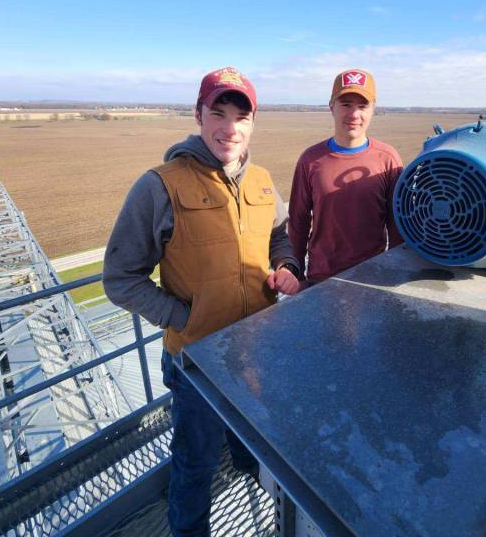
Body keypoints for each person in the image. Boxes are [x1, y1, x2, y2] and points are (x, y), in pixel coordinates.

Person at [103, 66, 300, 537]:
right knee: (194, 466)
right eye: (218, 112)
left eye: (241, 116)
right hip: (198, 363)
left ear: (253, 124)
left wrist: (287, 266)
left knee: (254, 445)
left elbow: (280, 236)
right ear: (198, 115)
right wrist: (182, 316)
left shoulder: (264, 181)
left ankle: (272, 508)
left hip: (256, 351)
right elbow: (120, 278)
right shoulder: (160, 185)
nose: (229, 128)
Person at [288, 68, 403, 285]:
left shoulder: (388, 159)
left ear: (373, 110)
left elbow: (397, 228)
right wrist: (297, 275)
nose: (354, 114)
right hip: (321, 280)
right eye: (346, 104)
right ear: (331, 107)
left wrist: (394, 275)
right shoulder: (311, 160)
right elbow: (298, 223)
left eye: (362, 106)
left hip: (372, 278)